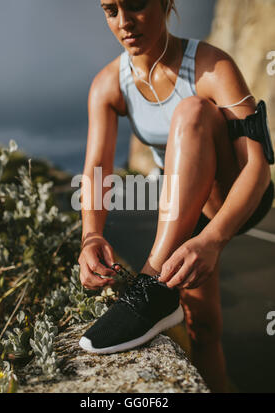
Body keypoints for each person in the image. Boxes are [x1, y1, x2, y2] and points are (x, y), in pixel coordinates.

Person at [78, 0, 274, 392]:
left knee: (192, 111)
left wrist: (212, 239)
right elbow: (97, 168)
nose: (124, 22)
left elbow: (258, 166)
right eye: (110, 9)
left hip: (237, 194)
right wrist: (91, 236)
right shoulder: (108, 85)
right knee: (202, 325)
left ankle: (151, 286)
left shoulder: (212, 67)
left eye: (135, 5)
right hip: (185, 207)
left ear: (167, 3)